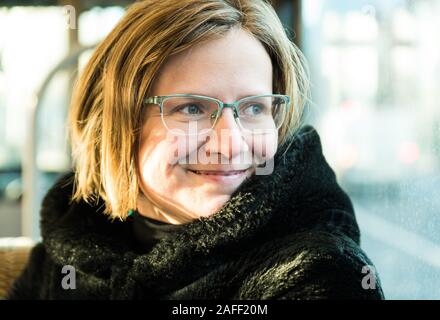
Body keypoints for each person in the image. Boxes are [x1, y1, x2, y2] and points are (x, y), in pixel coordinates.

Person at [7, 0, 384, 299]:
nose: (230, 145)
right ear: (115, 123)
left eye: (254, 108)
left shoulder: (317, 272)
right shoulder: (68, 252)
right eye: (192, 108)